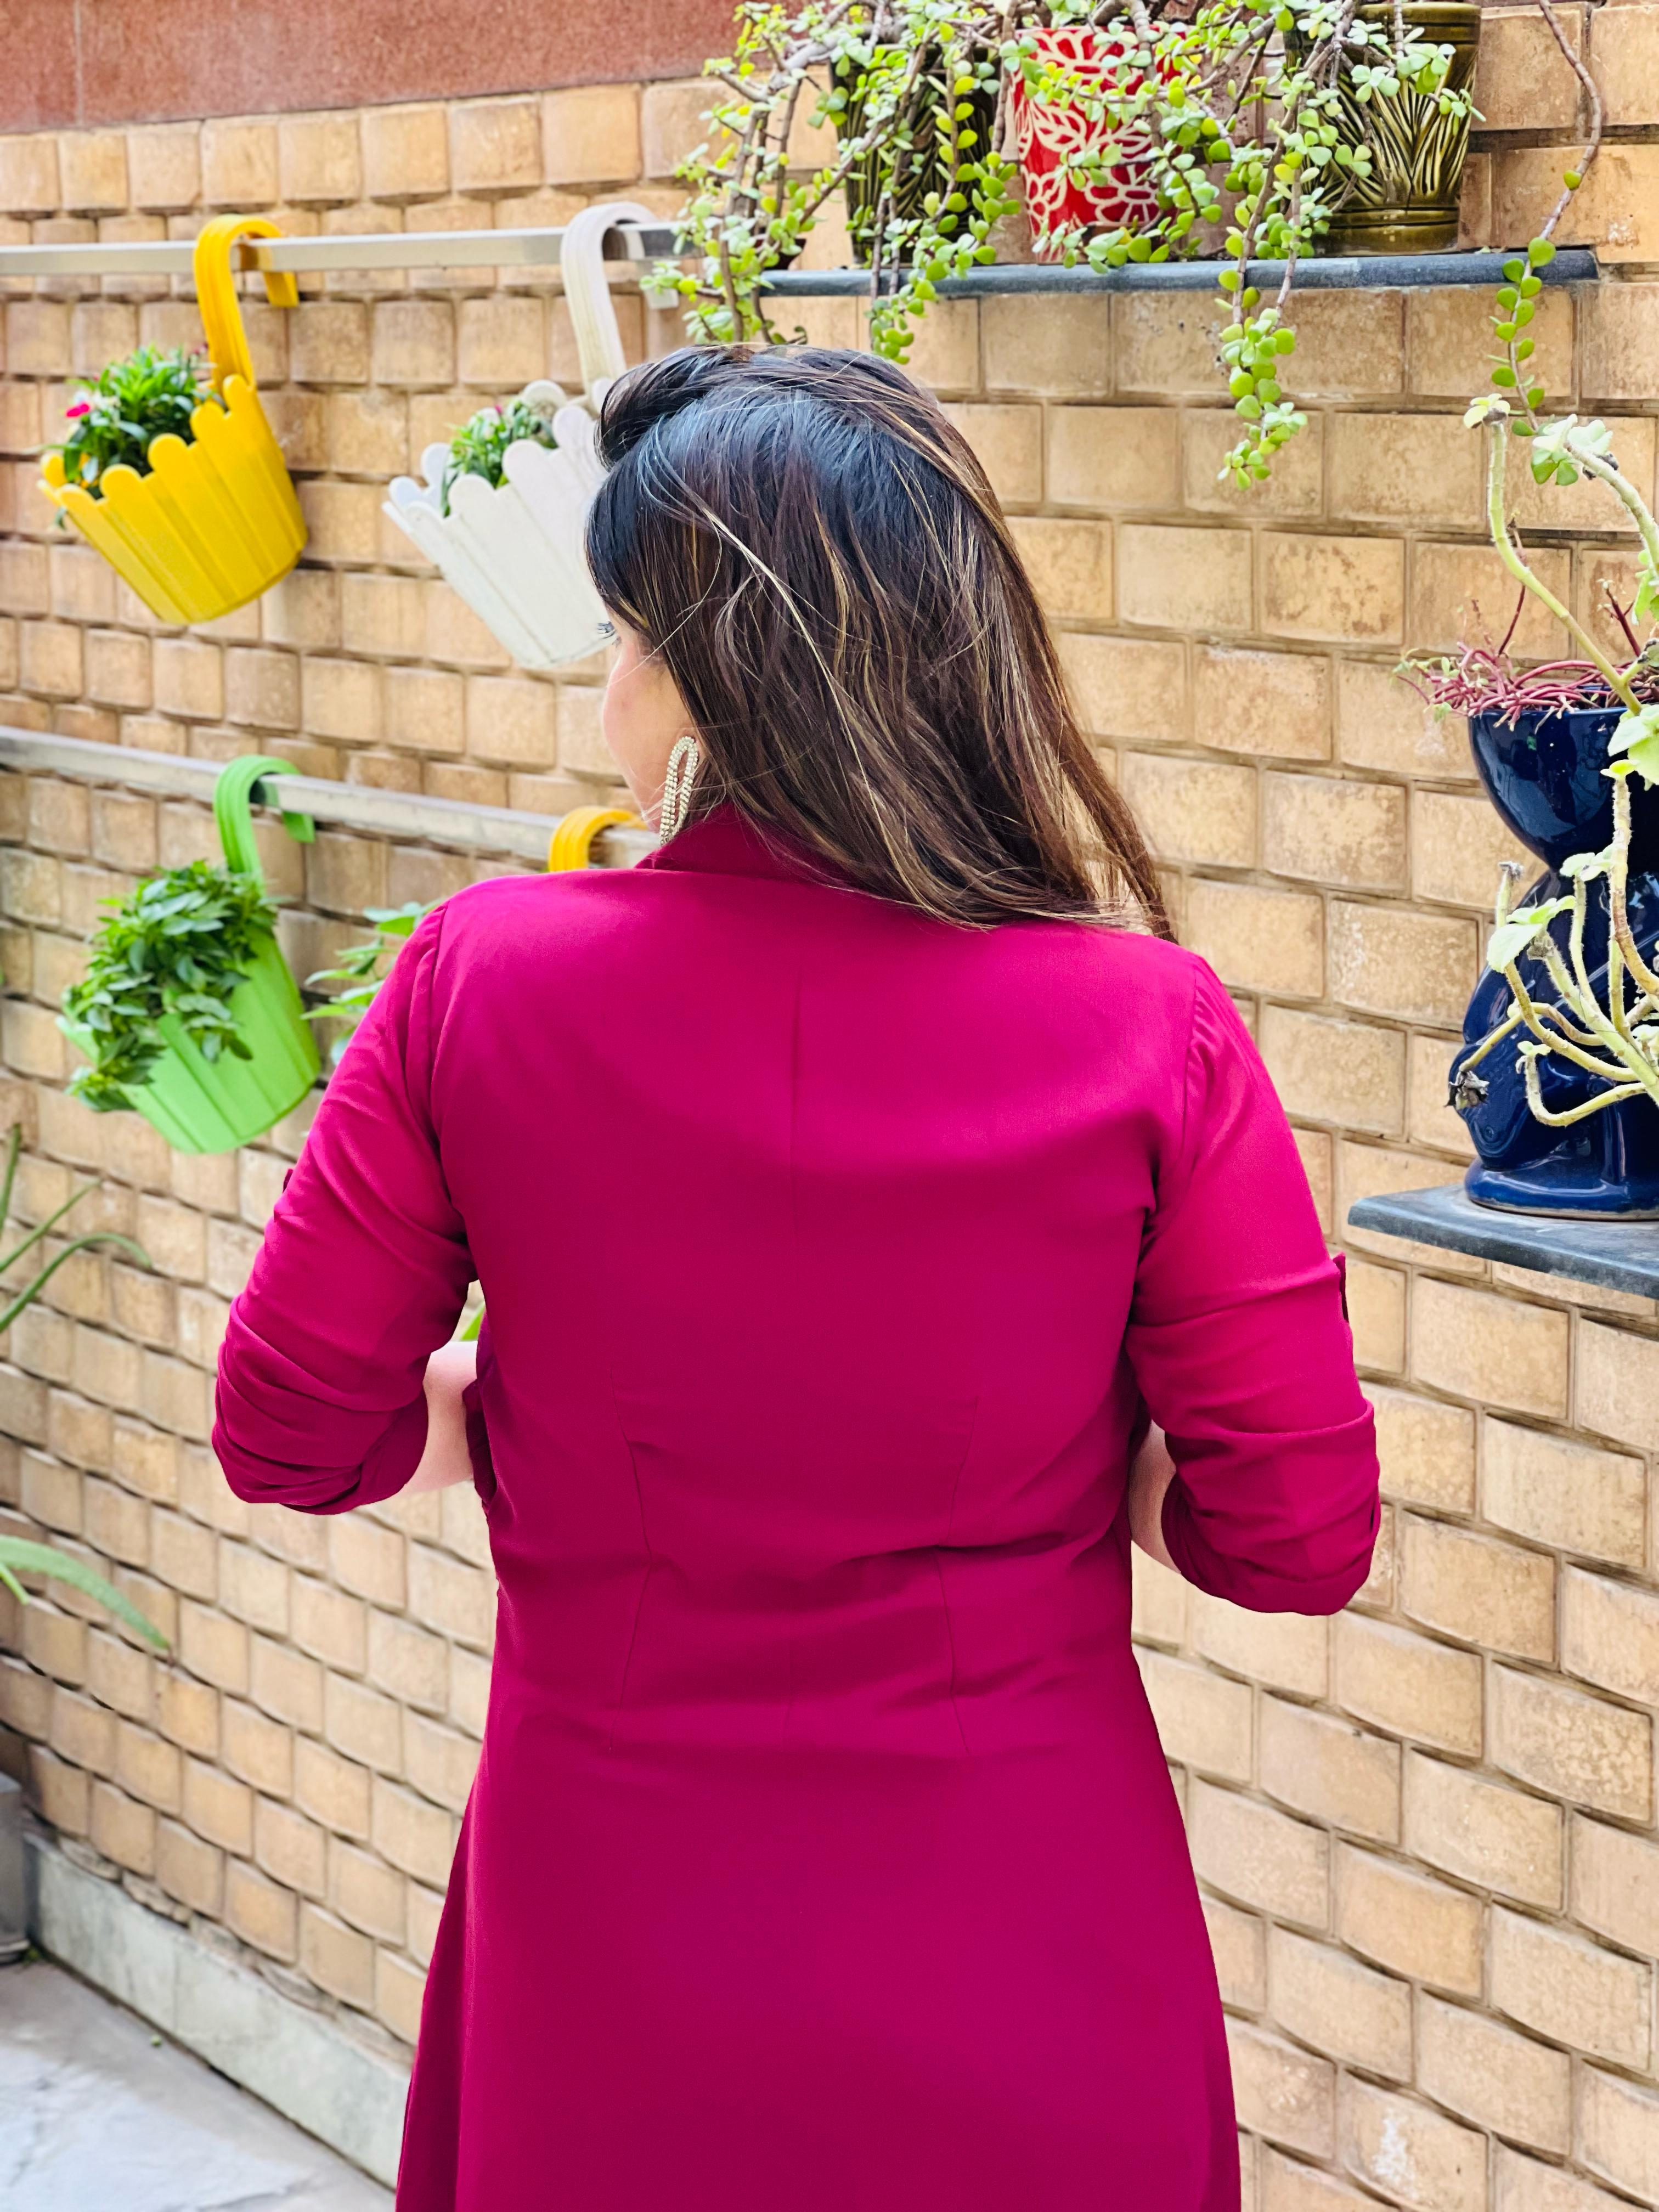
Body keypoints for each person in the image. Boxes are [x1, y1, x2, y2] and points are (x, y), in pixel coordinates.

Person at [214, 345, 1379, 2212]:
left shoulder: (479, 985)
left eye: (620, 636)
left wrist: (525, 1418)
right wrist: (1083, 1464)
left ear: (707, 673)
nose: (604, 684)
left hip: (614, 1932)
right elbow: (1296, 1535)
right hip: (1027, 1934)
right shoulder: (1148, 1028)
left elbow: (292, 1433)